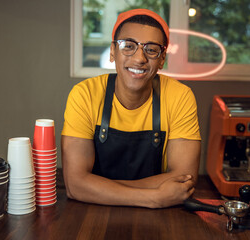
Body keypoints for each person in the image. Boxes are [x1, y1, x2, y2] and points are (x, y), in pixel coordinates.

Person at [61, 9, 201, 208]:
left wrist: (94, 185)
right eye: (128, 46)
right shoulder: (84, 94)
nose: (139, 58)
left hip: (157, 220)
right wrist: (154, 197)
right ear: (112, 51)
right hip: (92, 212)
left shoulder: (180, 97)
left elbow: (184, 181)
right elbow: (75, 186)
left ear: (162, 59)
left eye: (151, 49)